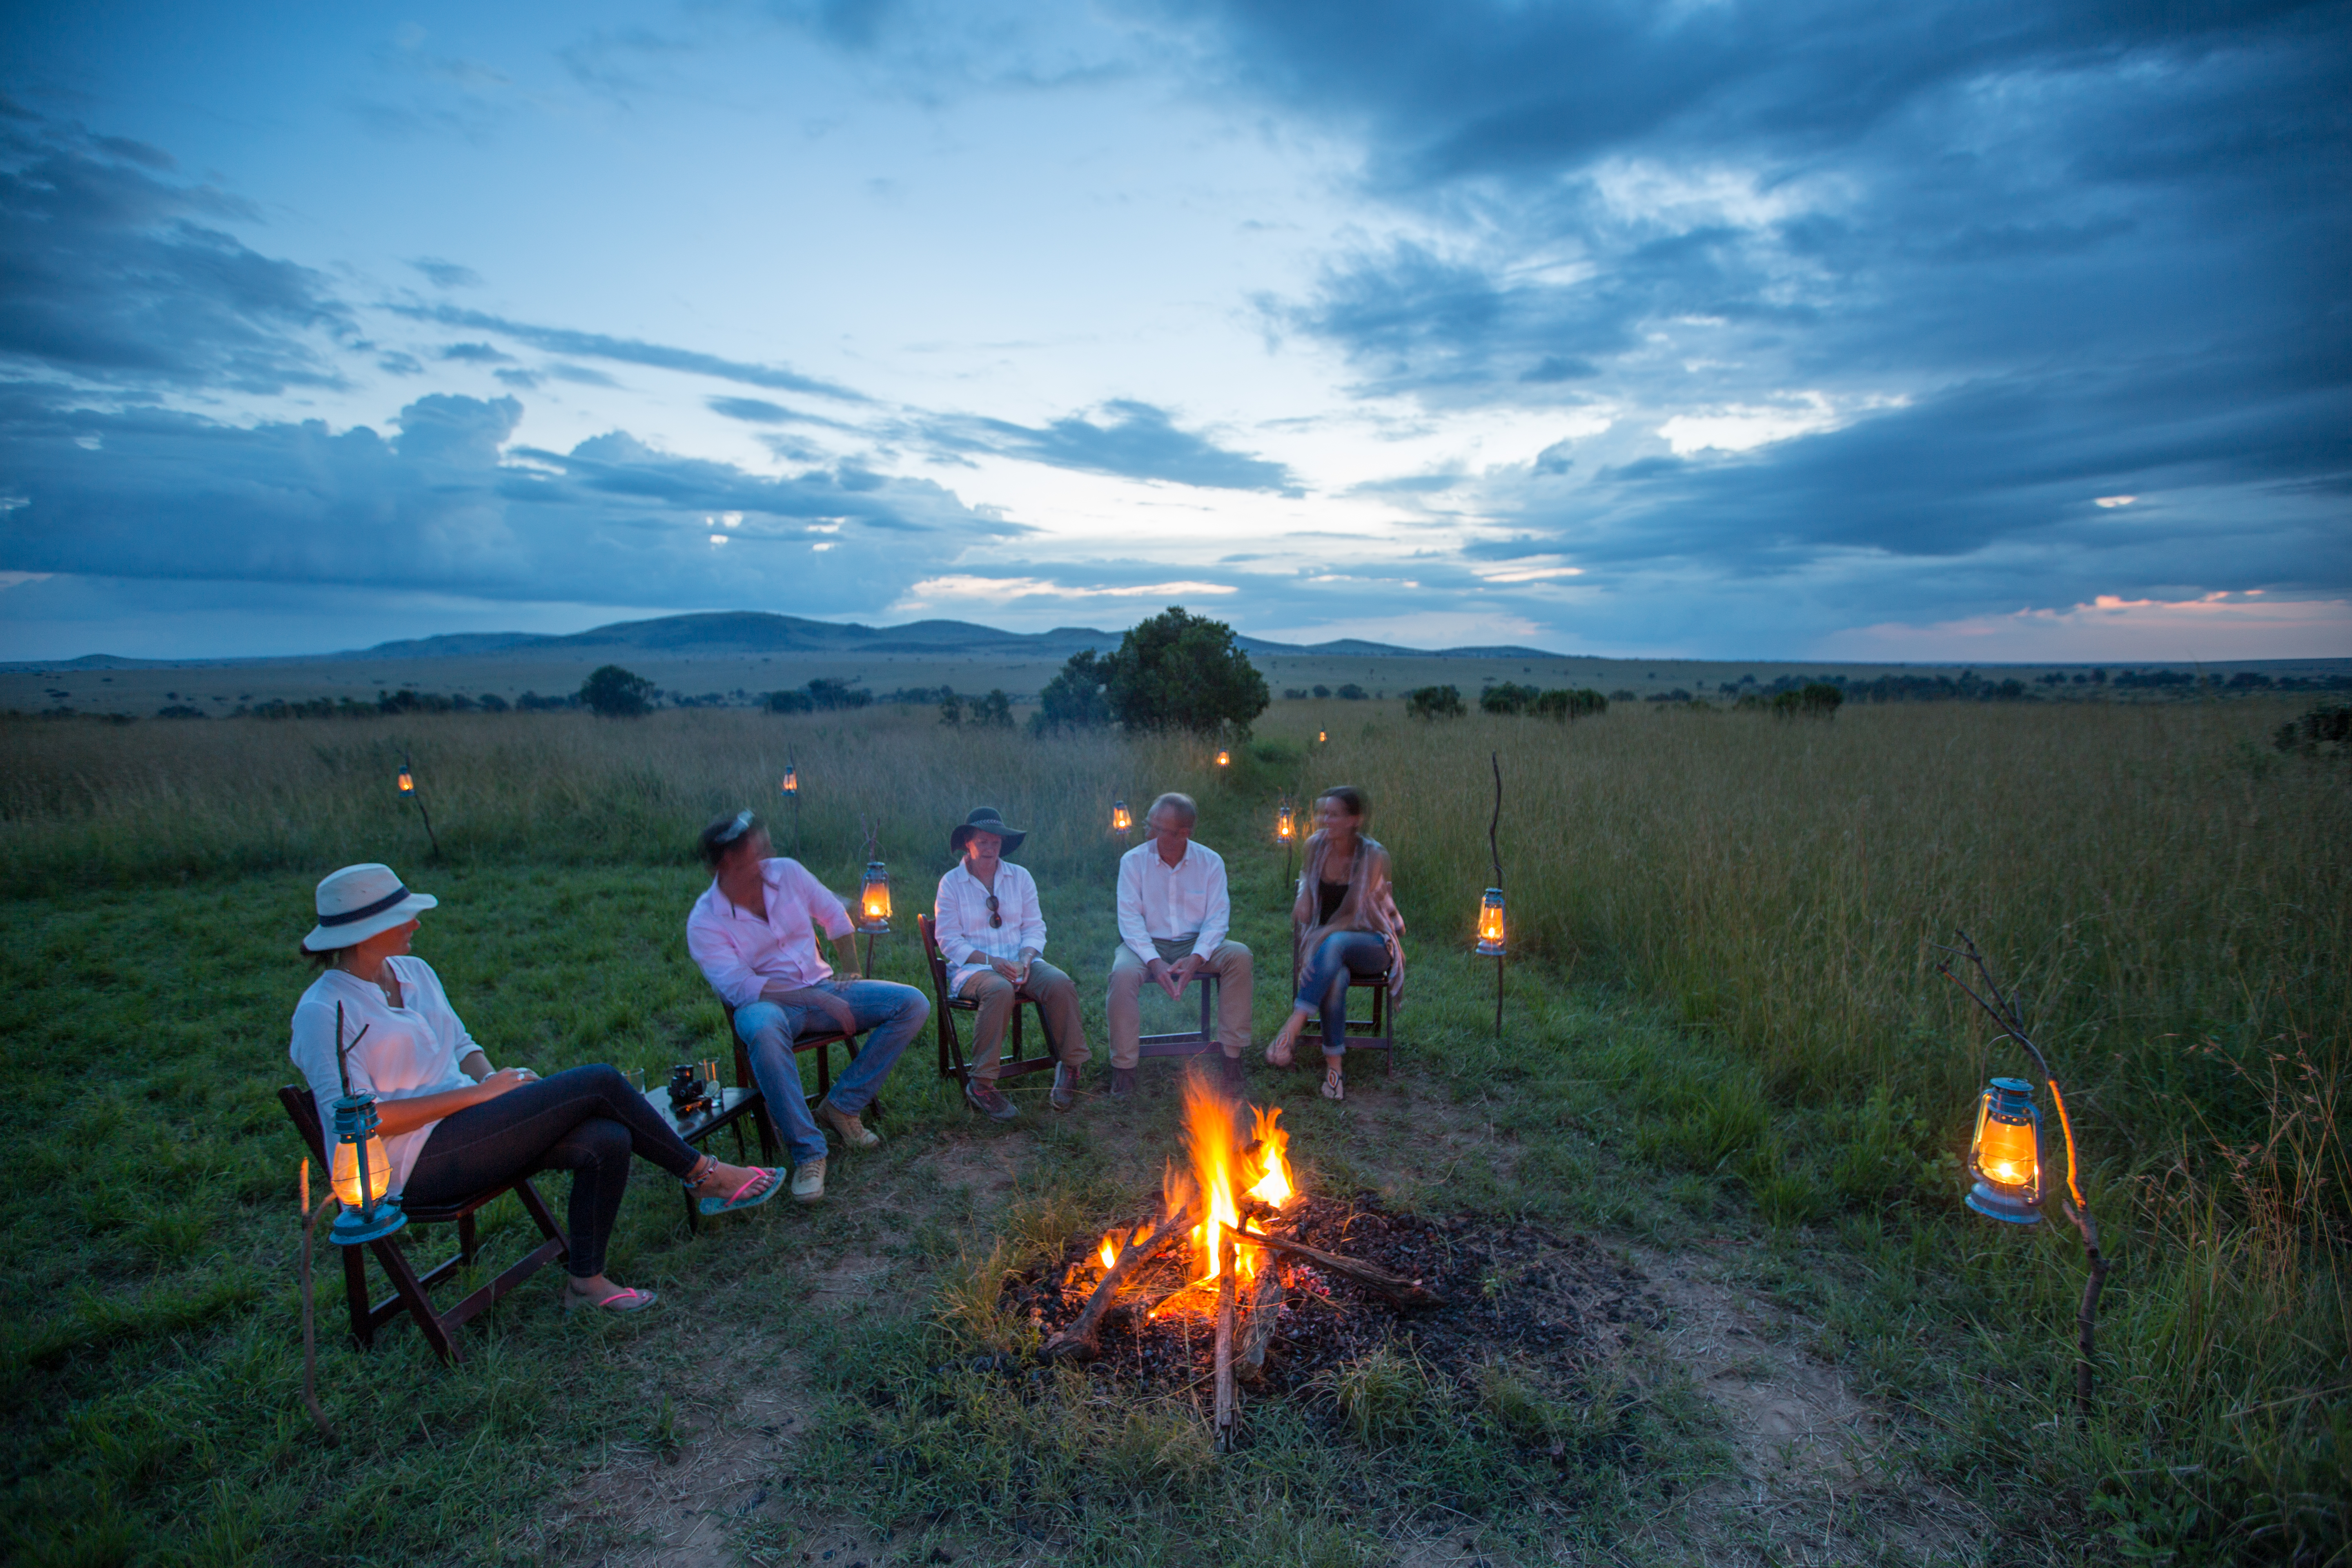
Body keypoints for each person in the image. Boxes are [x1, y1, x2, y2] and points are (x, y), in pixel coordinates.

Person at [290, 864, 781, 1318]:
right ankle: (704, 1175)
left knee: (607, 1138)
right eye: (404, 917)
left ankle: (585, 1284)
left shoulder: (415, 973)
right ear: (363, 932)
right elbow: (356, 1120)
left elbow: (463, 1045)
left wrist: (492, 1082)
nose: (417, 924)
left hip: (471, 1127)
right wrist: (479, 1097)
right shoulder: (325, 1011)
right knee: (600, 1081)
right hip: (406, 1168)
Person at [685, 810, 928, 1203]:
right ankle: (809, 1152)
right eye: (758, 850)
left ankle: (842, 1105)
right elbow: (742, 987)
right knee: (762, 1031)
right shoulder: (705, 921)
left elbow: (834, 915)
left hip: (825, 985)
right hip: (767, 1004)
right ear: (729, 861)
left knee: (912, 1003)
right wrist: (814, 997)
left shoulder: (787, 874)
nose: (770, 854)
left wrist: (851, 974)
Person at [933, 807, 1091, 1120]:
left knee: (1059, 982)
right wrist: (993, 962)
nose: (990, 848)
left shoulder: (1020, 877)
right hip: (974, 969)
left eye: (996, 842)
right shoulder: (951, 884)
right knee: (999, 990)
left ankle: (1071, 1066)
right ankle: (981, 1085)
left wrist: (1027, 958)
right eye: (983, 841)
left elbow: (1035, 927)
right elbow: (949, 940)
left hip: (1021, 962)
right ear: (968, 843)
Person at [1264, 787, 1406, 1101]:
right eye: (1321, 813)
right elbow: (1306, 881)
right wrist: (1304, 895)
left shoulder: (1373, 855)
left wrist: (1316, 939)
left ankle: (1293, 1025)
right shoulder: (1315, 847)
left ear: (1354, 819)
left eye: (1333, 814)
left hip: (1371, 944)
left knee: (1337, 941)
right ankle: (1335, 1071)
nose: (1323, 820)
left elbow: (1354, 914)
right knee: (1335, 977)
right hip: (1330, 949)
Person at [1107, 792, 1253, 1096]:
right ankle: (1124, 1068)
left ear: (1183, 833)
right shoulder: (1133, 861)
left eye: (1157, 828)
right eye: (1149, 824)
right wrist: (1153, 961)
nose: (1148, 833)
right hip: (1145, 944)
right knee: (1122, 974)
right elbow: (1130, 920)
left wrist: (1198, 957)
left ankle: (1232, 1057)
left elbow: (1217, 918)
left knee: (1239, 956)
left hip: (1195, 944)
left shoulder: (1210, 862)